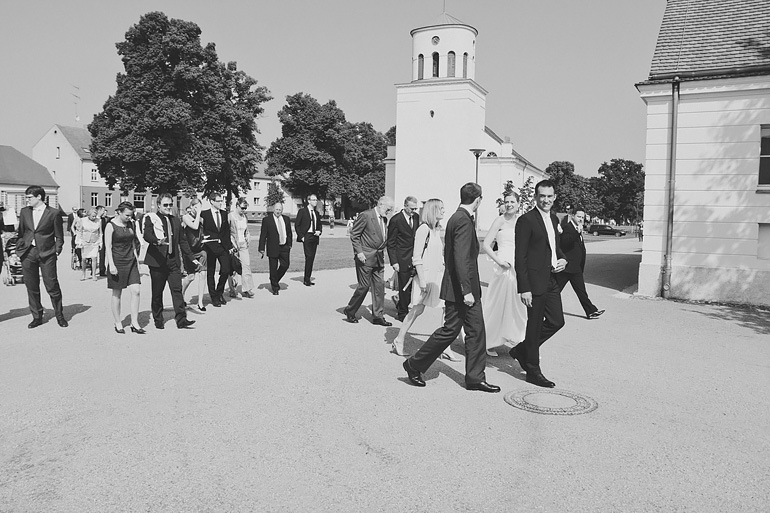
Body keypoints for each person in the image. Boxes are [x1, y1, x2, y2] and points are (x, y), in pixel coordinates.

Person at [402, 183, 500, 392]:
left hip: (459, 288)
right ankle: (414, 364)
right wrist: (467, 291)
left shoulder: (456, 218)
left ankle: (474, 378)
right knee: (453, 331)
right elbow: (461, 258)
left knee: (472, 331)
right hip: (462, 290)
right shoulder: (463, 221)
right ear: (478, 200)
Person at [511, 179, 567, 388]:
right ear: (536, 197)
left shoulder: (553, 219)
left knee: (557, 321)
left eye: (549, 196)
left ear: (554, 197)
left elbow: (555, 248)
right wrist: (524, 288)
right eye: (542, 196)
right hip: (533, 283)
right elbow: (520, 256)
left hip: (551, 279)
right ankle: (532, 370)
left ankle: (521, 350)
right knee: (534, 327)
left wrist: (563, 259)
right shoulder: (526, 221)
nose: (546, 200)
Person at [392, 199, 459, 361]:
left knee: (445, 308)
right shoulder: (423, 229)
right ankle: (398, 339)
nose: (444, 211)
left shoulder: (436, 230)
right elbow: (416, 257)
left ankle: (446, 347)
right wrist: (422, 280)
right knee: (417, 310)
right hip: (425, 276)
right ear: (433, 210)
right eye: (441, 209)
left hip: (437, 276)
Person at [482, 192, 528, 356]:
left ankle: (519, 341)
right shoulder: (500, 220)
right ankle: (488, 341)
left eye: (512, 201)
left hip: (519, 267)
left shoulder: (523, 220)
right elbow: (486, 245)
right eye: (506, 201)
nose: (509, 204)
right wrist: (499, 261)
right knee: (498, 304)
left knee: (518, 305)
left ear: (518, 203)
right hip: (503, 268)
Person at [16, 185, 67, 328]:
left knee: (52, 285)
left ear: (39, 197)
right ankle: (37, 316)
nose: (27, 201)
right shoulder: (24, 212)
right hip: (28, 253)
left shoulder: (53, 213)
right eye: (26, 198)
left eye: (29, 198)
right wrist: (19, 249)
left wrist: (57, 250)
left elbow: (59, 236)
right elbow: (21, 233)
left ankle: (59, 315)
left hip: (47, 253)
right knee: (31, 286)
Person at [143, 193, 195, 330]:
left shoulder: (175, 220)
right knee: (157, 292)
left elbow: (183, 241)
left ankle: (181, 319)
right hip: (158, 261)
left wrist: (192, 258)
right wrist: (156, 241)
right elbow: (146, 234)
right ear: (158, 205)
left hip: (173, 261)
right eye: (165, 205)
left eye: (170, 205)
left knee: (177, 290)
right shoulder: (151, 218)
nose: (168, 207)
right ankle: (158, 318)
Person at [343, 196, 395, 326]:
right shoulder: (366, 215)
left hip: (378, 257)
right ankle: (350, 310)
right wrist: (359, 252)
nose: (389, 212)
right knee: (364, 286)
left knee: (379, 287)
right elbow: (354, 234)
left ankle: (378, 316)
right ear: (380, 204)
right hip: (365, 256)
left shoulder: (384, 219)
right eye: (388, 209)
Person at [556, 208, 604, 320]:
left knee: (581, 291)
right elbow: (565, 243)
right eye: (579, 217)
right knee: (555, 291)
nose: (581, 219)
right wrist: (577, 232)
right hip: (566, 267)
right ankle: (540, 308)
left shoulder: (578, 228)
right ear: (573, 216)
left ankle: (591, 311)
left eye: (582, 217)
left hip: (576, 268)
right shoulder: (567, 228)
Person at [105, 201, 144, 334]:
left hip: (131, 261)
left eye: (131, 215)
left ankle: (135, 322)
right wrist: (111, 264)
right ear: (119, 212)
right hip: (117, 261)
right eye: (127, 215)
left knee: (136, 290)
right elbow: (108, 247)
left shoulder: (131, 224)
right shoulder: (110, 226)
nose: (129, 217)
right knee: (117, 293)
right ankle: (118, 322)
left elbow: (133, 242)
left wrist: (137, 260)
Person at [386, 195, 420, 322]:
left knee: (413, 285)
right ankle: (402, 313)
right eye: (411, 208)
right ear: (405, 206)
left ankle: (400, 302)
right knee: (404, 286)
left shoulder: (416, 217)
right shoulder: (396, 220)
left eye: (415, 209)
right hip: (401, 258)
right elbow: (391, 243)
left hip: (414, 256)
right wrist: (394, 261)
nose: (414, 211)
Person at [200, 192, 232, 307]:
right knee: (211, 272)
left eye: (221, 200)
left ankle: (219, 292)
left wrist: (230, 247)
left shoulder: (224, 213)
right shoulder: (204, 214)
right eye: (218, 201)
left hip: (223, 247)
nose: (221, 202)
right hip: (210, 247)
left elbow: (226, 231)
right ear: (212, 201)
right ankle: (214, 297)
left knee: (226, 269)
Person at [258, 201, 292, 295]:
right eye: (277, 209)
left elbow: (289, 233)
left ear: (282, 210)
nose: (278, 211)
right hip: (273, 247)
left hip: (284, 246)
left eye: (280, 209)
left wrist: (289, 244)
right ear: (273, 209)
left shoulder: (286, 219)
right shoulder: (267, 220)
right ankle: (275, 287)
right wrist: (261, 248)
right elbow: (263, 235)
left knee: (285, 265)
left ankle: (274, 278)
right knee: (273, 267)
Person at [180, 197, 207, 311]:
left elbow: (202, 231)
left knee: (203, 274)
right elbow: (194, 226)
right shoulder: (186, 217)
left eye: (199, 207)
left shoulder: (200, 219)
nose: (197, 209)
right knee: (190, 277)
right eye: (195, 207)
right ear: (191, 207)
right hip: (189, 252)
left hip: (201, 250)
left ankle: (200, 302)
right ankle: (180, 296)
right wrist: (198, 214)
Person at [228, 197, 254, 298]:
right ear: (237, 206)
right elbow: (228, 232)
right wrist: (231, 244)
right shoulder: (230, 216)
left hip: (243, 245)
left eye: (245, 208)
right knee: (233, 268)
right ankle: (232, 290)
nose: (244, 210)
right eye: (242, 208)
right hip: (234, 244)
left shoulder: (244, 217)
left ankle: (247, 289)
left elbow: (246, 230)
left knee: (246, 266)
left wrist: (248, 235)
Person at [295, 194, 322, 286]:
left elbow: (319, 225)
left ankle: (308, 278)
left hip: (314, 236)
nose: (315, 202)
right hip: (306, 236)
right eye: (313, 200)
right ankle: (306, 279)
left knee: (312, 258)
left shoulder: (316, 213)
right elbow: (297, 225)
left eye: (316, 200)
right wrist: (302, 237)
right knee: (309, 257)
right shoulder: (302, 211)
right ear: (309, 201)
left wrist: (319, 231)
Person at [76, 207, 102, 281]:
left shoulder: (98, 221)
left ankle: (94, 274)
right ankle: (83, 274)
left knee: (94, 258)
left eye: (95, 216)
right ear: (88, 215)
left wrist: (100, 242)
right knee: (84, 259)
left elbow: (100, 232)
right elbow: (79, 231)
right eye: (93, 216)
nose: (94, 217)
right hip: (85, 241)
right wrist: (79, 241)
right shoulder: (83, 220)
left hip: (94, 242)